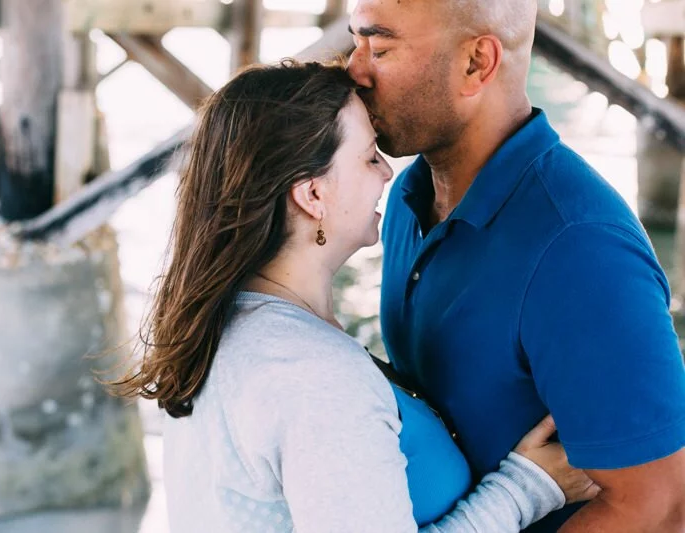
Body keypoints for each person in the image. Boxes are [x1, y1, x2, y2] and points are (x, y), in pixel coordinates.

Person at [110, 60, 597, 532]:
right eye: (368, 157)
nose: (387, 172)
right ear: (313, 195)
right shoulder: (311, 373)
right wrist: (526, 488)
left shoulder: (219, 328)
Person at [347, 0, 685, 531]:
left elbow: (660, 506)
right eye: (354, 40)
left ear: (477, 63)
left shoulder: (580, 248)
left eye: (380, 47)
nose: (354, 68)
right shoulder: (405, 202)